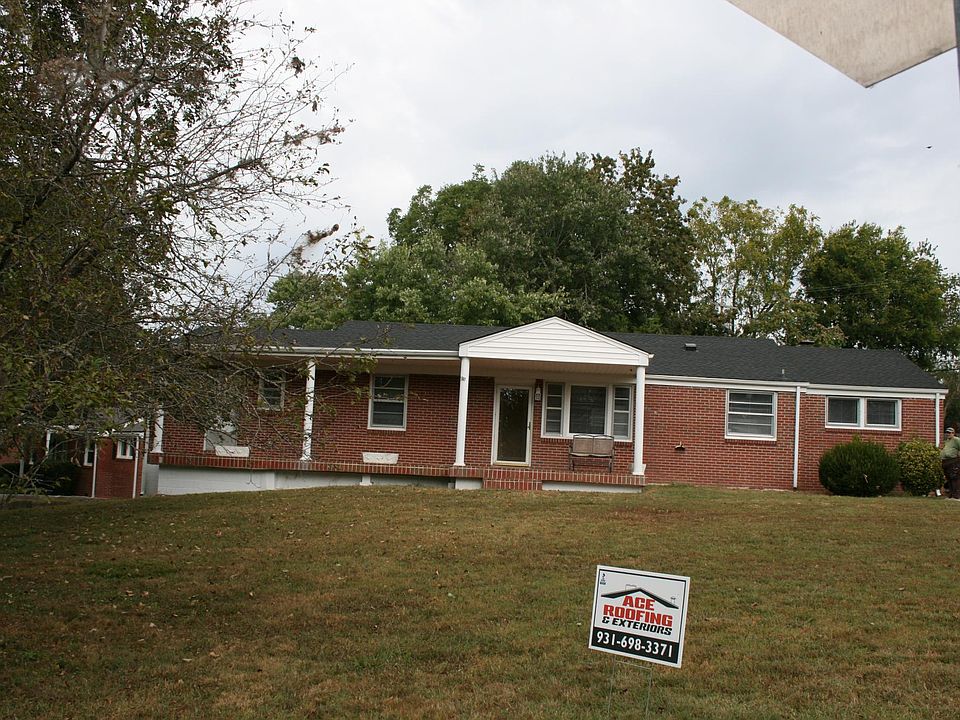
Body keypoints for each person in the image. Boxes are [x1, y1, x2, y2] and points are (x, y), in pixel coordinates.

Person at [940, 427, 960, 499]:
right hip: (946, 462)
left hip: (953, 461)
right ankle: (951, 495)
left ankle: (956, 496)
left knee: (954, 478)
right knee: (949, 478)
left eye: (950, 432)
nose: (948, 434)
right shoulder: (947, 441)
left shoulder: (956, 440)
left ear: (953, 433)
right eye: (947, 432)